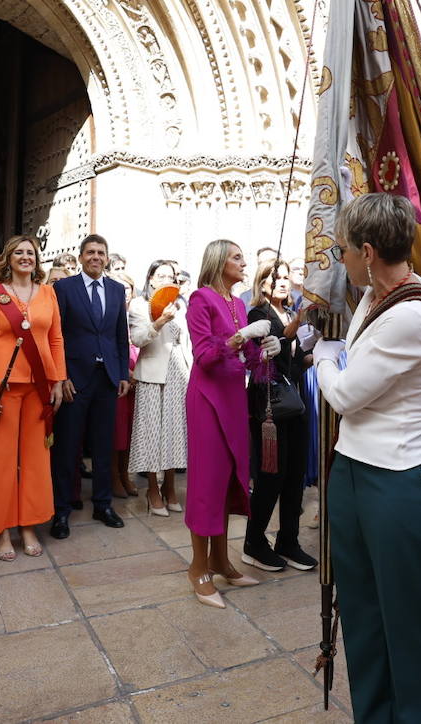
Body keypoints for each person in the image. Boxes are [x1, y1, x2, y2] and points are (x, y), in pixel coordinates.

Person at [312, 193, 421, 720]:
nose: (340, 258)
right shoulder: (375, 297)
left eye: (345, 249)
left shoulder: (412, 312)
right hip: (355, 471)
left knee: (411, 630)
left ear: (368, 251)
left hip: (398, 483)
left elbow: (346, 393)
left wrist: (323, 357)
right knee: (364, 620)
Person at [184, 239, 272, 607]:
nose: (243, 261)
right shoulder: (200, 299)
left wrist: (263, 350)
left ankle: (221, 559)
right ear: (219, 261)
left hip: (234, 398)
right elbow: (204, 355)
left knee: (229, 479)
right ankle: (198, 567)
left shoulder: (238, 303)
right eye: (237, 256)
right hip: (207, 399)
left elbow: (247, 360)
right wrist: (240, 337)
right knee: (206, 482)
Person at [0, 235, 66, 560]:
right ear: (8, 259)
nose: (26, 257)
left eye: (31, 253)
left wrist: (57, 381)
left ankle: (29, 524)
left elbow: (56, 339)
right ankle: (0, 530)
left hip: (39, 386)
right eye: (19, 253)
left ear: (37, 260)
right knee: (1, 461)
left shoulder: (49, 293)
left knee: (36, 461)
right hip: (3, 387)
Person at [49, 235, 131, 538]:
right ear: (81, 257)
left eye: (101, 253)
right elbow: (55, 335)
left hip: (107, 377)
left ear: (106, 258)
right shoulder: (64, 288)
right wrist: (61, 376)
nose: (96, 257)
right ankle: (61, 511)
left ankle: (102, 504)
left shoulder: (116, 289)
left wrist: (122, 372)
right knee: (68, 447)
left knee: (103, 445)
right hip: (75, 378)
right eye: (90, 252)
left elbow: (120, 335)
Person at [244, 259, 315, 572]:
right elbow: (265, 360)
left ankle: (288, 540)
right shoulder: (259, 314)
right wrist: (292, 331)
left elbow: (294, 365)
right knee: (271, 476)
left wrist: (315, 356)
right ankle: (254, 542)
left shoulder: (291, 314)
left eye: (286, 277)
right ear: (262, 284)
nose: (283, 283)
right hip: (269, 406)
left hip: (294, 402)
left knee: (295, 475)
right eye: (276, 278)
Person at [128, 259, 189, 516]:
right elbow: (139, 338)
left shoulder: (181, 305)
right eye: (161, 275)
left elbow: (186, 344)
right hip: (152, 375)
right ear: (151, 279)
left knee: (175, 434)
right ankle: (153, 490)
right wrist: (160, 320)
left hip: (178, 374)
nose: (167, 280)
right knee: (151, 434)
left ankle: (171, 488)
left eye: (171, 276)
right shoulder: (140, 305)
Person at [110, 272, 140, 497]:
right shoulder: (109, 312)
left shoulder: (137, 312)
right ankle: (114, 477)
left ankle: (125, 474)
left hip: (139, 377)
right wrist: (125, 372)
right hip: (117, 378)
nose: (124, 291)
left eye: (128, 287)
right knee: (116, 432)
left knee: (131, 432)